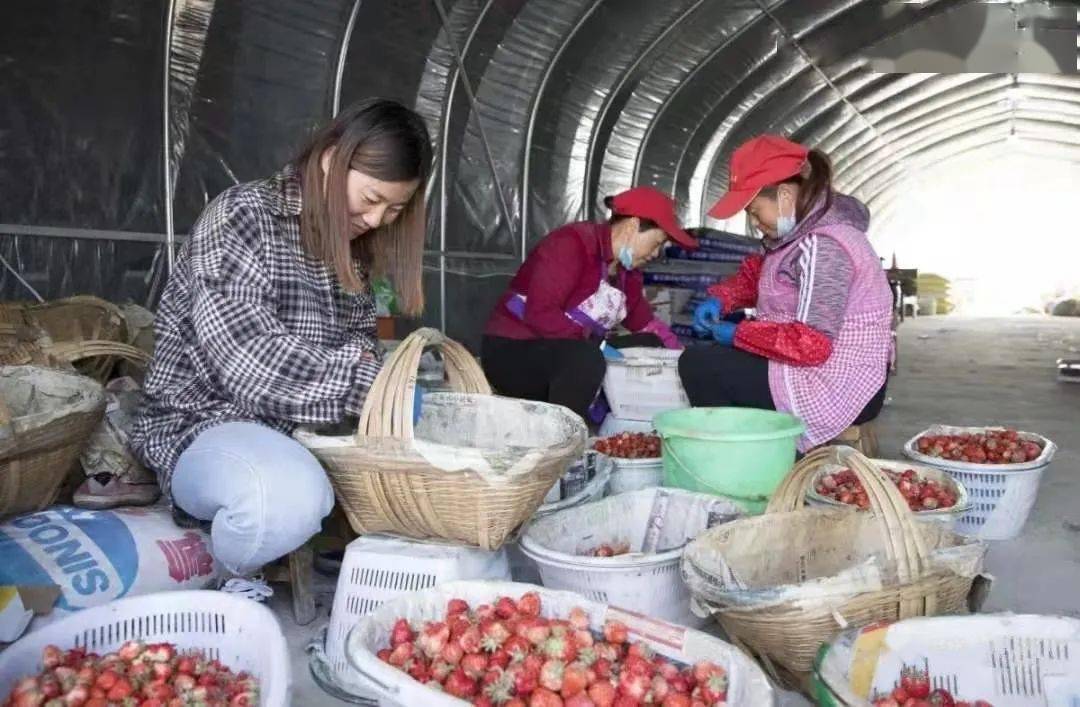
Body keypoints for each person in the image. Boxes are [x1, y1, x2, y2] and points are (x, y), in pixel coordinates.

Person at [130, 99, 432, 597]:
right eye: (372, 198)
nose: (378, 220)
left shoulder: (351, 254)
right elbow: (249, 363)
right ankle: (227, 571)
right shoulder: (243, 217)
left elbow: (360, 346)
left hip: (301, 431)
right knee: (285, 501)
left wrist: (385, 383)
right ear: (332, 158)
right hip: (211, 423)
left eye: (395, 210)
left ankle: (297, 535)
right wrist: (369, 387)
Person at [680, 135, 892, 452]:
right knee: (714, 360)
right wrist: (722, 299)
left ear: (783, 196)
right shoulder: (796, 236)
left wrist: (739, 334)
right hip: (815, 366)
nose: (754, 224)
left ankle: (754, 461)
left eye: (754, 212)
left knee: (699, 365)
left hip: (836, 383)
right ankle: (755, 449)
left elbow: (811, 345)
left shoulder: (824, 246)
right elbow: (761, 279)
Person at [482, 187, 697, 421]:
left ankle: (633, 418)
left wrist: (683, 360)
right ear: (632, 226)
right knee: (585, 358)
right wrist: (597, 346)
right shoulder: (572, 244)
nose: (656, 254)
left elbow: (645, 325)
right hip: (514, 351)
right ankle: (563, 439)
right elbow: (540, 313)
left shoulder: (628, 273)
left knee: (650, 343)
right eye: (656, 243)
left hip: (571, 351)